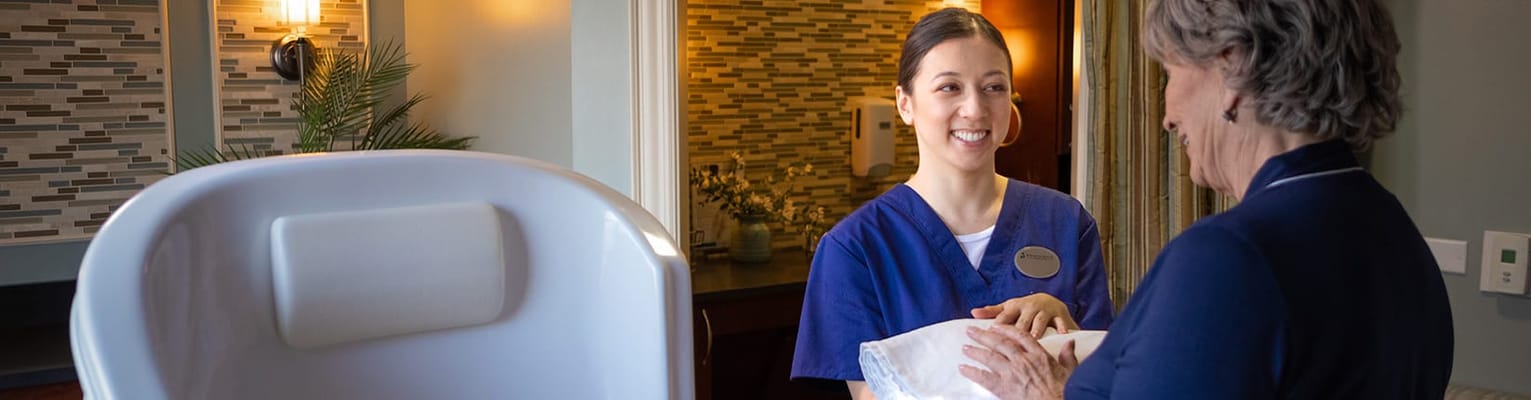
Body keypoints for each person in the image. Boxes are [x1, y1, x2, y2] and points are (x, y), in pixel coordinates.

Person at [958, 0, 1454, 398]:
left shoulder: (1229, 258)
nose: (1168, 116)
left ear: (1233, 70)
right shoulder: (1393, 230)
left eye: (1171, 72)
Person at [790, 8, 1114, 399]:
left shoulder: (1065, 223)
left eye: (993, 87)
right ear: (905, 103)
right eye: (949, 87)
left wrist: (1066, 324)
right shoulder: (855, 247)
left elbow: (1102, 379)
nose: (975, 109)